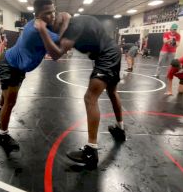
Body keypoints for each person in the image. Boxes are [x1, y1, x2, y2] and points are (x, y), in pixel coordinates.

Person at [36, 13, 125, 169]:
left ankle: (91, 151)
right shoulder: (81, 20)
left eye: (56, 26)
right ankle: (120, 128)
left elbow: (56, 54)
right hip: (112, 52)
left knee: (90, 98)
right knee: (112, 92)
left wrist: (42, 30)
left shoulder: (74, 27)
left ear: (62, 22)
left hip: (106, 56)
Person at [0, 0, 59, 151]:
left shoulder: (41, 26)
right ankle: (3, 136)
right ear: (38, 15)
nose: (53, 16)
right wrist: (69, 22)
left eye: (53, 12)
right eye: (48, 13)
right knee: (10, 101)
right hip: (10, 65)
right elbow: (61, 45)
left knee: (7, 95)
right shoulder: (36, 30)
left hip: (17, 65)